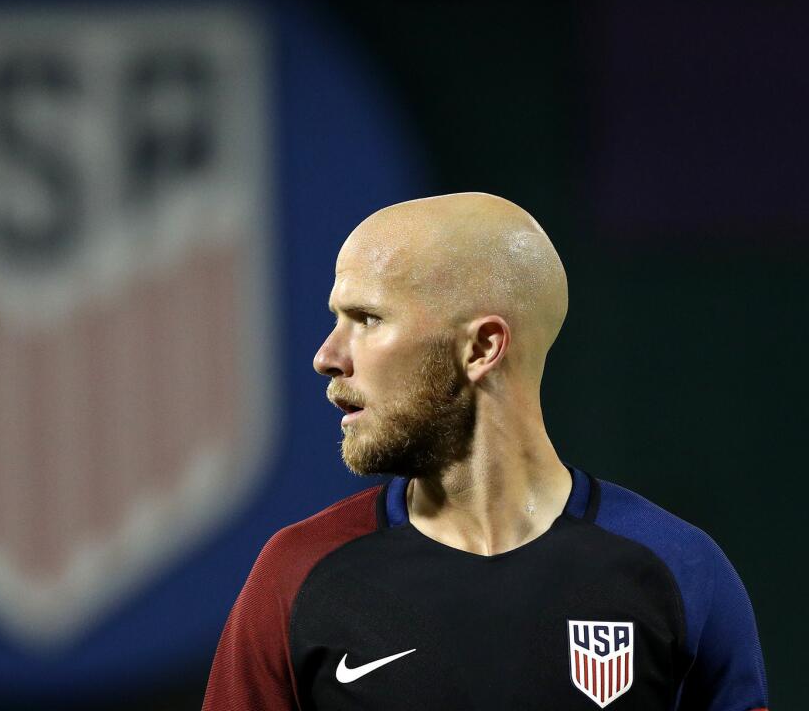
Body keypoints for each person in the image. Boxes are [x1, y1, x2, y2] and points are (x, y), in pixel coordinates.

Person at [202, 193, 768, 710]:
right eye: (336, 320)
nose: (328, 356)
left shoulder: (681, 572)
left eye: (367, 319)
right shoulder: (296, 573)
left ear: (482, 347)